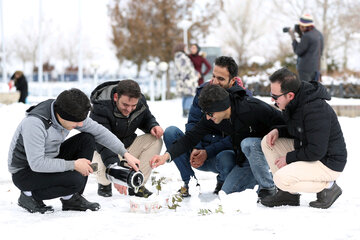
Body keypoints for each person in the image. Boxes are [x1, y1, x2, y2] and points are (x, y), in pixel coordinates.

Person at [8, 88, 141, 214]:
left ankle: (71, 198)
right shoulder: (35, 124)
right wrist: (74, 165)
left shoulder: (69, 111)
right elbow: (37, 163)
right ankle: (28, 196)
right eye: (77, 122)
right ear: (62, 116)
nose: (81, 125)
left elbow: (100, 132)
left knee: (87, 138)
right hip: (25, 172)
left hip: (50, 158)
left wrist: (125, 153)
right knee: (75, 179)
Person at [152, 83, 285, 201]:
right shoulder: (213, 118)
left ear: (222, 106)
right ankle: (253, 182)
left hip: (268, 153)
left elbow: (285, 123)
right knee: (226, 194)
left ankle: (269, 188)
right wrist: (166, 157)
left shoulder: (253, 108)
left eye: (209, 112)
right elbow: (190, 138)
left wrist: (281, 142)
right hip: (245, 162)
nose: (208, 117)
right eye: (205, 113)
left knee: (248, 143)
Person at [163, 56, 253, 197]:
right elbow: (193, 122)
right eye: (214, 76)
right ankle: (190, 183)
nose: (215, 82)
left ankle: (223, 182)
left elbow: (236, 137)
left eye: (221, 79)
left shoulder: (243, 99)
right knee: (170, 133)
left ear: (233, 81)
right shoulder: (203, 91)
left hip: (221, 154)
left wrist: (207, 152)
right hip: (197, 152)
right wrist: (196, 147)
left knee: (226, 158)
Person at [260, 68, 347, 209]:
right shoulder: (296, 103)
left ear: (290, 95)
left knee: (280, 178)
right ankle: (288, 194)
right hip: (309, 150)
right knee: (268, 142)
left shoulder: (315, 110)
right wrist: (278, 131)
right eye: (271, 94)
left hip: (327, 162)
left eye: (275, 96)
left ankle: (329, 186)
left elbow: (316, 151)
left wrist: (289, 158)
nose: (272, 99)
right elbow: (299, 130)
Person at [90, 80, 163, 198]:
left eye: (133, 106)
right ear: (115, 97)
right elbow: (103, 142)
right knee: (103, 170)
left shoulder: (139, 101)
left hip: (126, 146)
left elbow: (146, 118)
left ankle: (137, 184)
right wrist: (118, 173)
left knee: (155, 140)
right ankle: (104, 183)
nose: (129, 109)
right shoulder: (100, 107)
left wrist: (153, 125)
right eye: (125, 105)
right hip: (101, 151)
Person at [288, 14, 324, 82]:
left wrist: (293, 37)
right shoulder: (319, 34)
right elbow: (320, 51)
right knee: (313, 90)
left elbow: (298, 51)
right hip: (316, 68)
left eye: (301, 26)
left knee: (305, 90)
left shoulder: (307, 36)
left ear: (304, 26)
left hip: (305, 70)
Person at [173, 43, 198, 117]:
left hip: (181, 80)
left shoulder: (177, 57)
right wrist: (194, 75)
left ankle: (184, 111)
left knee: (185, 96)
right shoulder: (183, 57)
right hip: (187, 80)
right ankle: (187, 111)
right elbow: (187, 69)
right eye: (184, 48)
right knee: (190, 95)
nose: (185, 49)